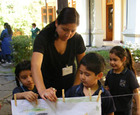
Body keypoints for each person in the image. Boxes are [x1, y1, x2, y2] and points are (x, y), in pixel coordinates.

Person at [31, 7, 86, 102]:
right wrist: (43, 90)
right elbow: (35, 65)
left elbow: (83, 65)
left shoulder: (77, 39)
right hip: (47, 88)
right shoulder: (43, 38)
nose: (68, 34)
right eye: (65, 29)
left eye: (73, 31)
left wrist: (75, 88)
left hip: (69, 87)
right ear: (56, 23)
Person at [105, 46, 140, 115]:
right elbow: (107, 89)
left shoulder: (129, 75)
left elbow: (136, 92)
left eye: (115, 60)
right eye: (110, 59)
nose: (112, 62)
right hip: (112, 109)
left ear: (123, 59)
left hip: (125, 110)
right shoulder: (110, 74)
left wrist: (138, 109)